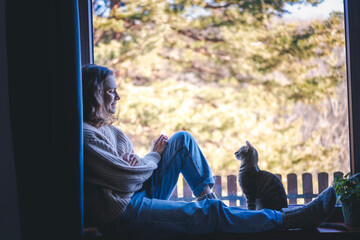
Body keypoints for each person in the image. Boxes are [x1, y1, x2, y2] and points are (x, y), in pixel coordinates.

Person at [82, 64, 336, 240]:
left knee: (181, 140)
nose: (118, 97)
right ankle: (290, 219)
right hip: (122, 214)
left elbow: (131, 170)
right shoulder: (85, 134)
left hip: (135, 194)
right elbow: (128, 177)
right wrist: (150, 158)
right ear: (94, 94)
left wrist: (135, 165)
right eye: (111, 91)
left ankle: (208, 199)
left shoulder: (111, 131)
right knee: (213, 214)